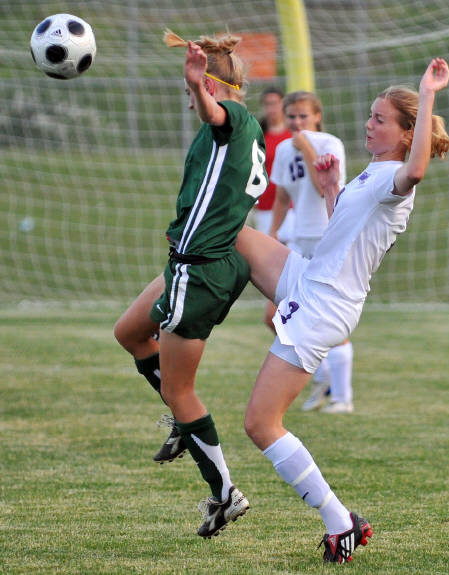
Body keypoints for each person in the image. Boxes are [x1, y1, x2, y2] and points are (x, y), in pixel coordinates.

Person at [234, 58, 449, 563]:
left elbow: (417, 169)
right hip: (310, 278)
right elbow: (344, 237)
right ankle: (179, 322)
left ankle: (341, 522)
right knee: (232, 235)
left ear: (406, 133)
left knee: (261, 424)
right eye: (371, 115)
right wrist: (333, 190)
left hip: (325, 306)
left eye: (380, 119)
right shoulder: (371, 173)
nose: (368, 123)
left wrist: (427, 92)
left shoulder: (397, 175)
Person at [114, 28, 268, 538]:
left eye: (193, 90)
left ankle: (225, 494)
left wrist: (199, 87)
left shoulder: (233, 119)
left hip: (200, 269)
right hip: (194, 261)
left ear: (213, 87)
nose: (189, 99)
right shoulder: (238, 131)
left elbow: (214, 114)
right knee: (130, 332)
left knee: (180, 390)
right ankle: (185, 426)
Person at [269, 91, 354, 414]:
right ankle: (323, 376)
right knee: (278, 314)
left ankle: (342, 397)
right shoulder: (283, 149)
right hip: (299, 238)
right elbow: (282, 196)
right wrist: (273, 232)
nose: (297, 122)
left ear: (317, 116)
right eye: (291, 116)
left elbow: (324, 189)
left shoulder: (330, 144)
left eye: (303, 115)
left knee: (328, 314)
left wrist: (305, 146)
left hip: (326, 237)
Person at [253, 87, 294, 331]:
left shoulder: (292, 135)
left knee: (289, 260)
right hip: (264, 208)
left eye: (276, 103)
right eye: (267, 103)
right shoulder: (259, 135)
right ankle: (283, 312)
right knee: (269, 264)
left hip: (290, 209)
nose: (272, 108)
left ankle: (286, 309)